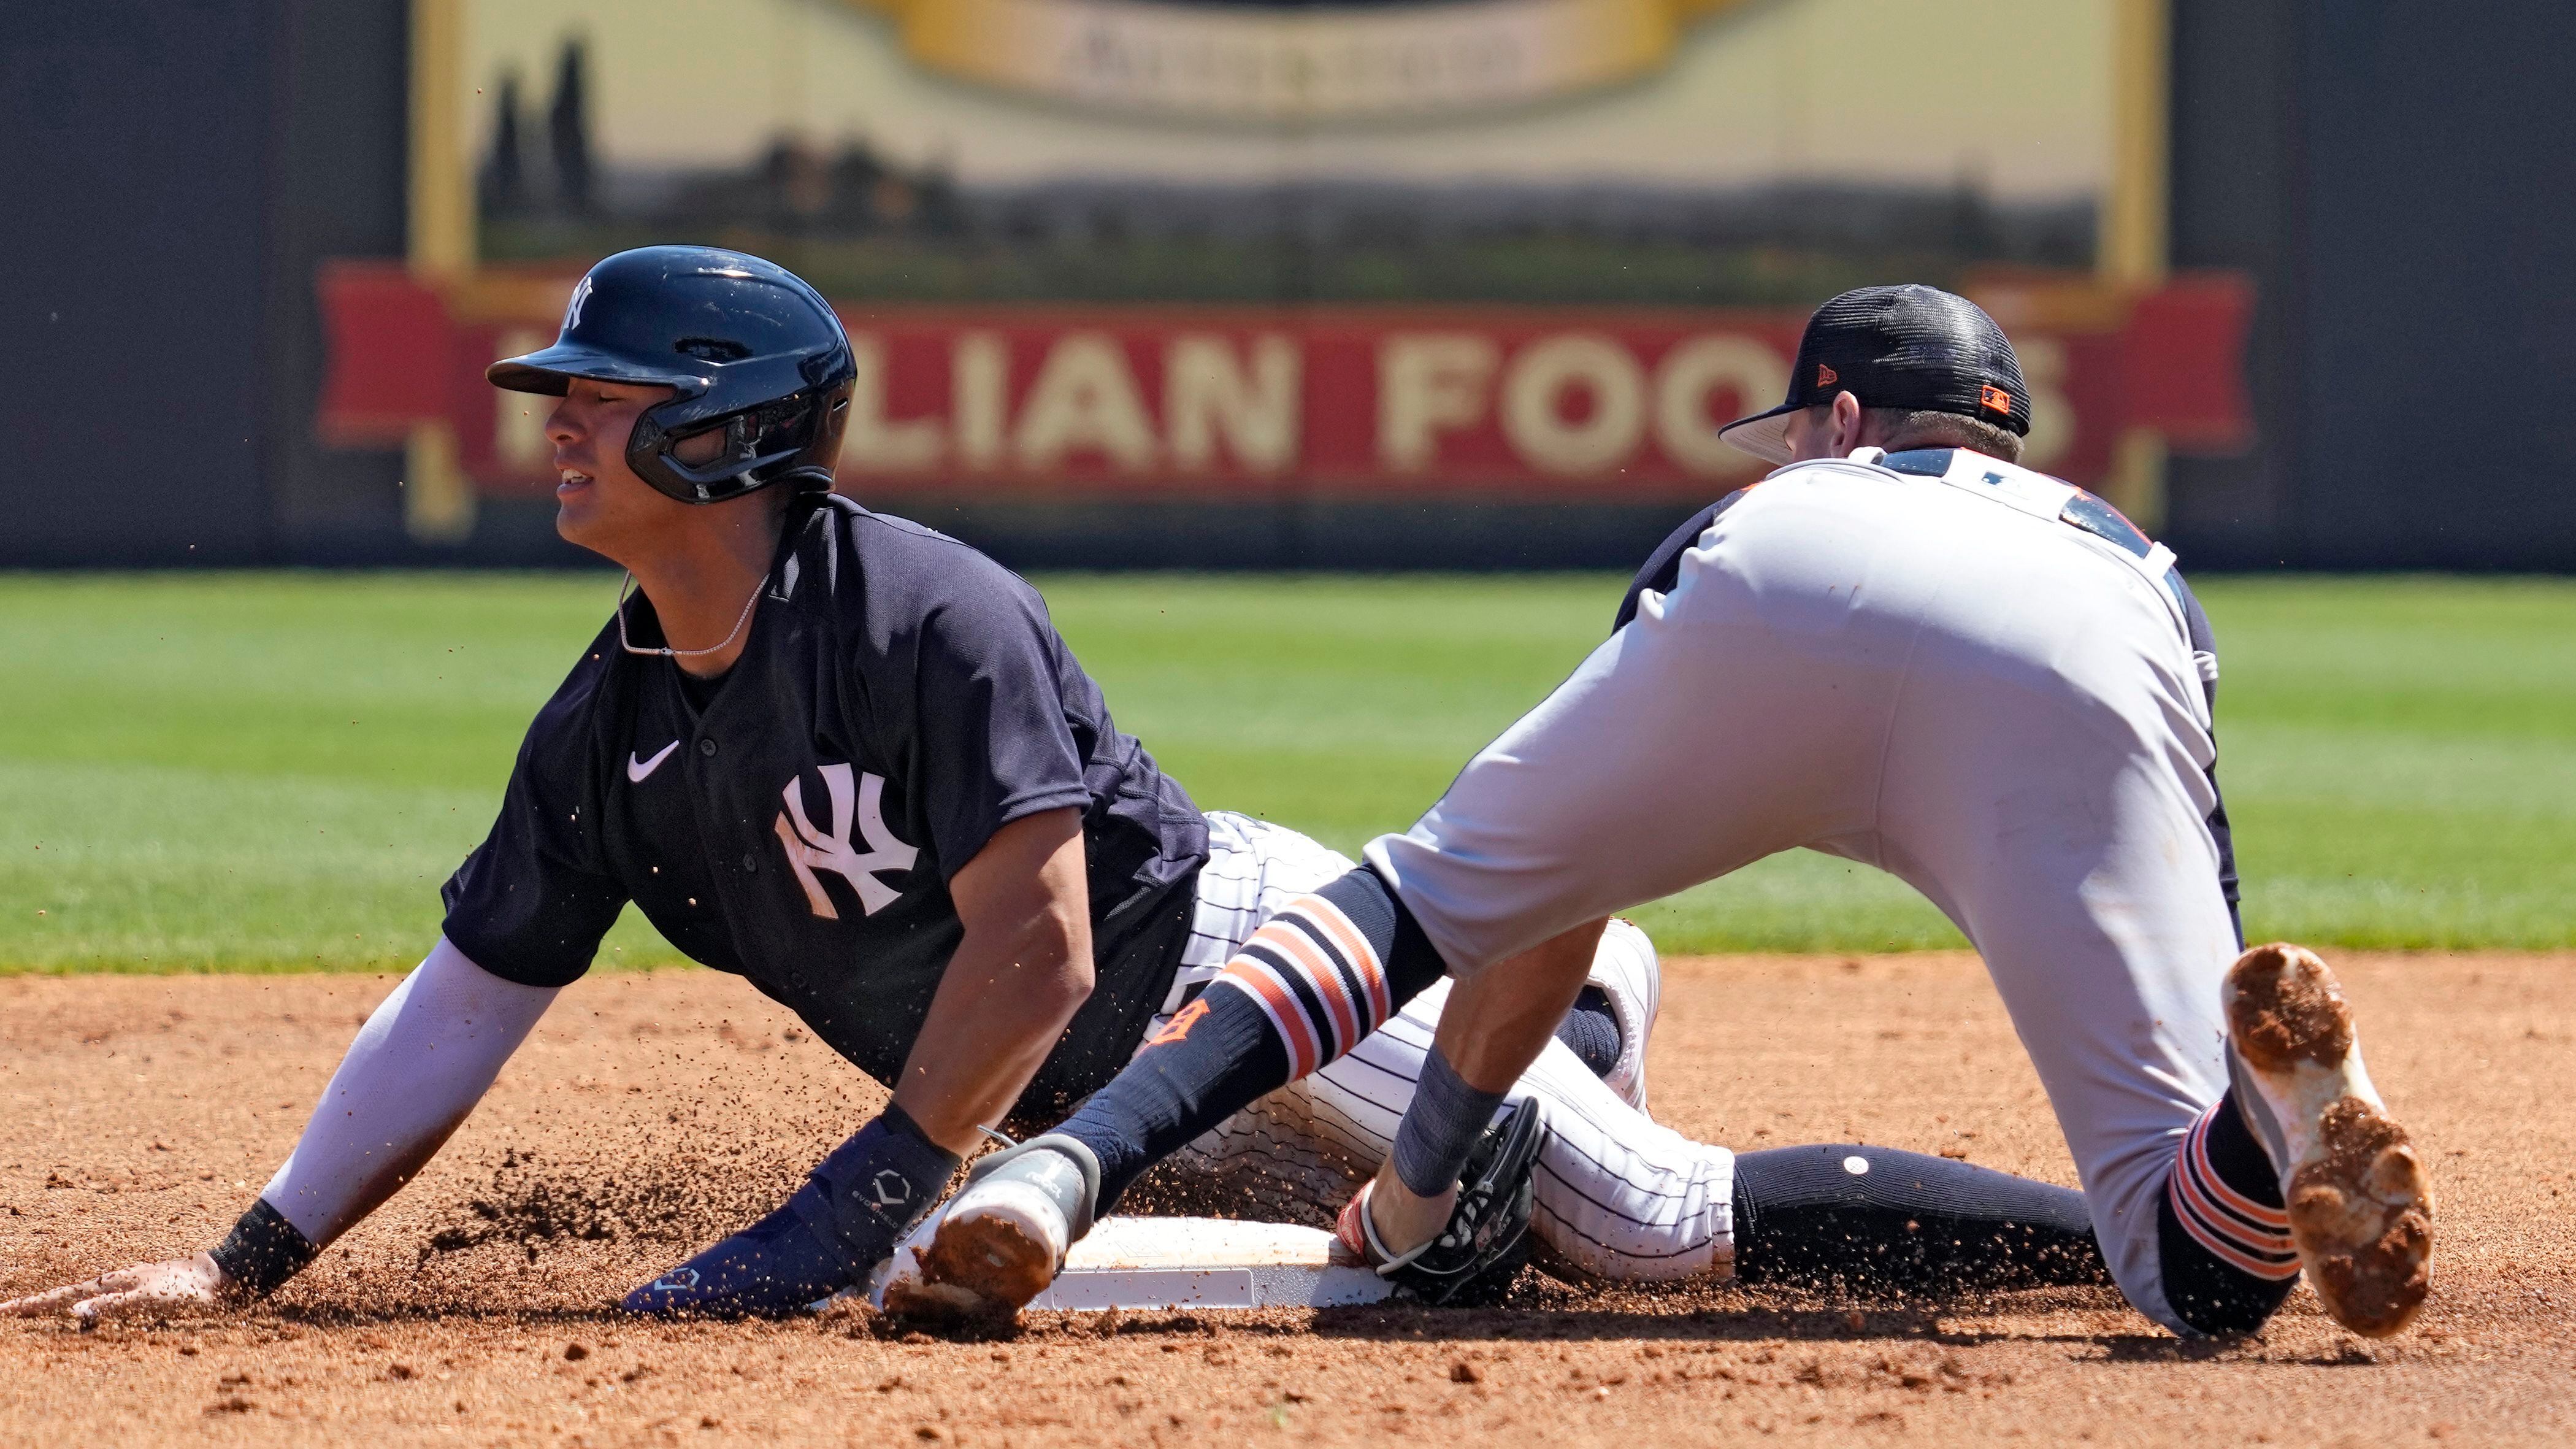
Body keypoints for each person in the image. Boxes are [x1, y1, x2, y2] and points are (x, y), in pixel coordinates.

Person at [4, 254, 2109, 1326]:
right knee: (1400, 1265)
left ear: (729, 430)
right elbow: (463, 995)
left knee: (1624, 1231)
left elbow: (1039, 943)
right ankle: (1568, 1008)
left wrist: (850, 1201)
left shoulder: (930, 616)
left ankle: (2143, 1237)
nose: (558, 425)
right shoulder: (610, 723)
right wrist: (254, 1254)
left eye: (602, 397)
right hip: (1074, 1101)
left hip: (1238, 974)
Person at [902, 286, 2433, 1341]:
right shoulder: (2132, 553)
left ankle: (1059, 1173)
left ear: (1838, 415)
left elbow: (1535, 906)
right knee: (2194, 1267)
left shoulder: (1789, 498)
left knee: (1415, 902)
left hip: (1799, 587)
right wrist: (2228, 1046)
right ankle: (2276, 1113)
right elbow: (2212, 895)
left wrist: (1420, 1186)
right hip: (2087, 655)